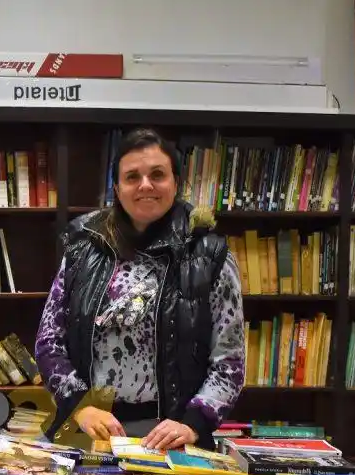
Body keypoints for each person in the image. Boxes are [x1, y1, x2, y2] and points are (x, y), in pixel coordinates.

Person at [35, 127, 244, 451]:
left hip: (169, 435)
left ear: (175, 182)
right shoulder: (82, 251)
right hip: (89, 428)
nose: (145, 185)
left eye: (157, 174)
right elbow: (49, 342)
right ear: (117, 188)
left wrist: (193, 423)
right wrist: (79, 406)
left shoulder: (211, 257)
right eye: (132, 177)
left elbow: (229, 362)